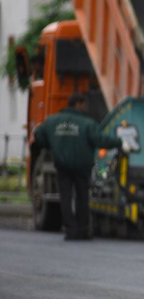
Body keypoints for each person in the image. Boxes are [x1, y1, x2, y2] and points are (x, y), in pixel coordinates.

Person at [33, 93, 122, 240]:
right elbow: (100, 139)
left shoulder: (52, 121)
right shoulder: (86, 123)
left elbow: (39, 136)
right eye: (83, 105)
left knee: (66, 198)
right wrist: (119, 142)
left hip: (62, 166)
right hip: (82, 167)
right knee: (82, 198)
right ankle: (82, 230)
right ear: (78, 104)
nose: (84, 108)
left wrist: (53, 145)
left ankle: (70, 230)